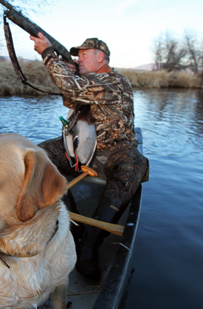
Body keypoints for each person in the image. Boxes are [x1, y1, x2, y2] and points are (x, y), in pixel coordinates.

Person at [30, 33, 149, 281]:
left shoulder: (114, 81)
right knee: (39, 155)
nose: (79, 59)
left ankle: (90, 244)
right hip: (85, 149)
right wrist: (72, 72)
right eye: (78, 56)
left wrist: (48, 53)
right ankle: (74, 226)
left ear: (100, 57)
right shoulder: (90, 81)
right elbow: (69, 96)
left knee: (134, 163)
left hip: (114, 151)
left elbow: (69, 86)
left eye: (84, 55)